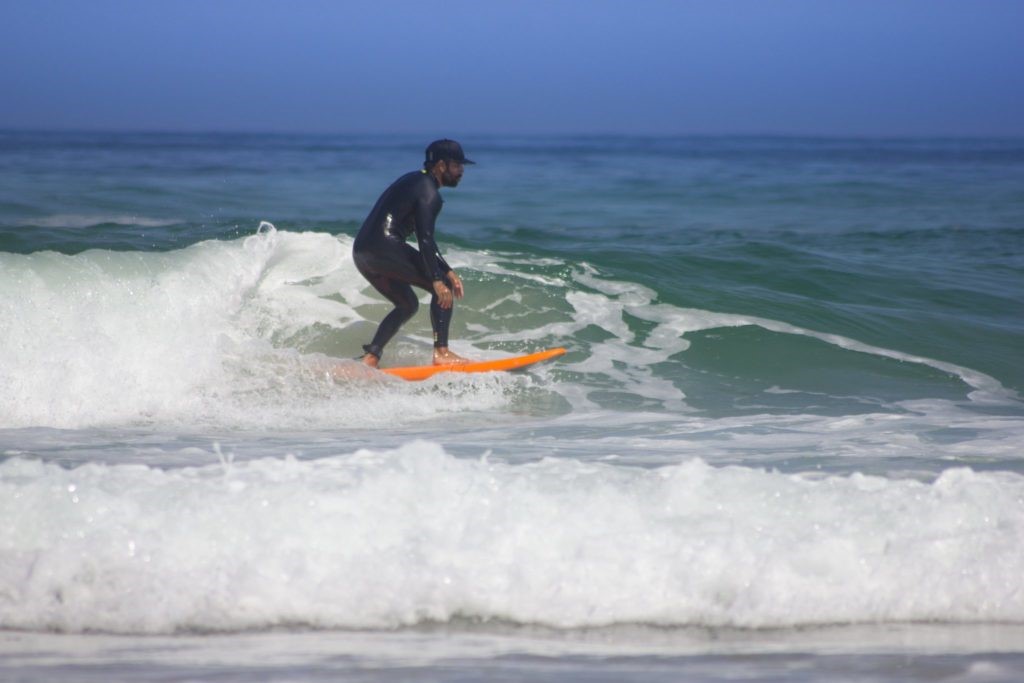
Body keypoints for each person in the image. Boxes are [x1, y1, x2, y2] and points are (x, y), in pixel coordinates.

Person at [352, 139, 474, 368]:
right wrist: (438, 279)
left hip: (363, 252)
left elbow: (424, 238)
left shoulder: (413, 180)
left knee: (407, 304)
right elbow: (425, 239)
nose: (462, 172)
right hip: (384, 246)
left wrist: (446, 269)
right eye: (457, 165)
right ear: (441, 165)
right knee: (443, 289)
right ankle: (442, 354)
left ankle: (371, 357)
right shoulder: (430, 194)